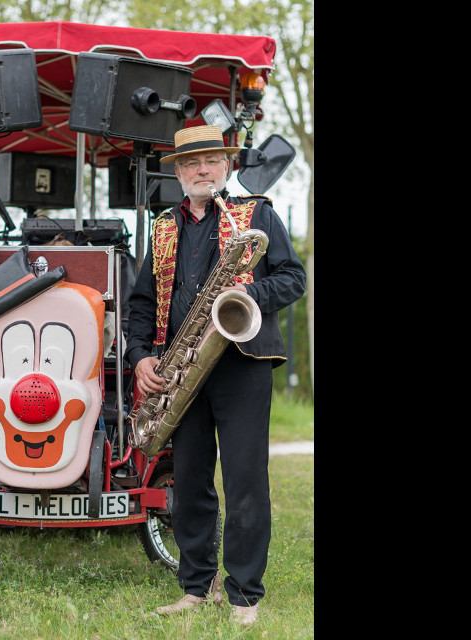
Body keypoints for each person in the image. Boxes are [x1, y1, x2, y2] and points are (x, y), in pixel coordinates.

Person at [125, 125, 306, 626]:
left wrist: (250, 294)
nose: (201, 169)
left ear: (226, 166)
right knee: (189, 481)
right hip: (182, 370)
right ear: (179, 172)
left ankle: (244, 595)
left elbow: (293, 278)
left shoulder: (257, 213)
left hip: (242, 365)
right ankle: (195, 588)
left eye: (210, 161)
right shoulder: (164, 226)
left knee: (245, 480)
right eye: (191, 163)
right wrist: (140, 356)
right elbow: (141, 303)